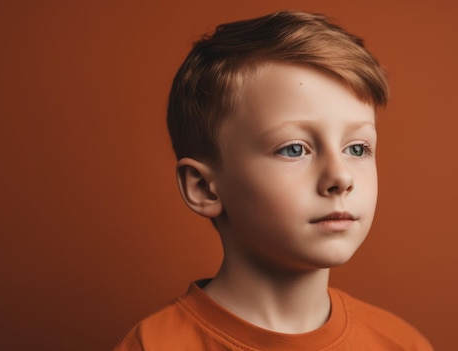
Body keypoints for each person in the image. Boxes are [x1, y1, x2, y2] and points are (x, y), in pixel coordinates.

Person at [114, 10, 433, 351]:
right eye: (294, 149)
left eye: (357, 148)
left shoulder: (401, 343)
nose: (340, 177)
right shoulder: (154, 345)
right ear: (203, 188)